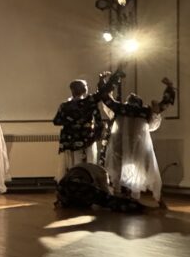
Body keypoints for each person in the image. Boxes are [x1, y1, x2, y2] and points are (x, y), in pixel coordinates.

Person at [101, 75, 176, 206]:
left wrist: (106, 81)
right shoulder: (144, 111)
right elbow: (164, 104)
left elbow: (105, 97)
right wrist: (170, 88)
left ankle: (119, 194)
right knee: (145, 168)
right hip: (137, 147)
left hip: (122, 146)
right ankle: (151, 197)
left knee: (118, 170)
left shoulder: (121, 109)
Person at [51, 75, 117, 180]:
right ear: (83, 89)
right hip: (86, 139)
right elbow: (103, 92)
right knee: (87, 165)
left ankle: (73, 185)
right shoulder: (89, 101)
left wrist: (71, 122)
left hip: (70, 139)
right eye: (85, 86)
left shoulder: (64, 105)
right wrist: (103, 80)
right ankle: (85, 184)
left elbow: (56, 121)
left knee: (73, 166)